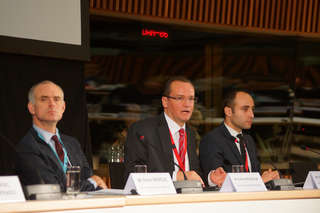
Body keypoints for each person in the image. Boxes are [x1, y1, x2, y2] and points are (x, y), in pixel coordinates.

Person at [16, 80, 107, 192]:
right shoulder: (27, 147)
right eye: (44, 99)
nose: (52, 104)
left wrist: (92, 182)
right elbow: (52, 189)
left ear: (63, 107)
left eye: (56, 99)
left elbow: (89, 178)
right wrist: (92, 182)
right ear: (32, 108)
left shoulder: (72, 143)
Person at [124, 76, 204, 184]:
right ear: (165, 102)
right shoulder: (143, 130)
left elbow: (195, 174)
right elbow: (134, 173)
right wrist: (176, 176)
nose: (187, 104)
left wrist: (210, 178)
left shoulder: (190, 134)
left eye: (191, 98)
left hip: (189, 197)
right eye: (180, 98)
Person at [199, 89, 280, 187]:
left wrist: (268, 178)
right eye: (245, 109)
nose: (252, 115)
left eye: (252, 109)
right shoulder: (212, 140)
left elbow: (255, 176)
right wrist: (259, 181)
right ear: (228, 111)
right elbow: (219, 183)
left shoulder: (248, 140)